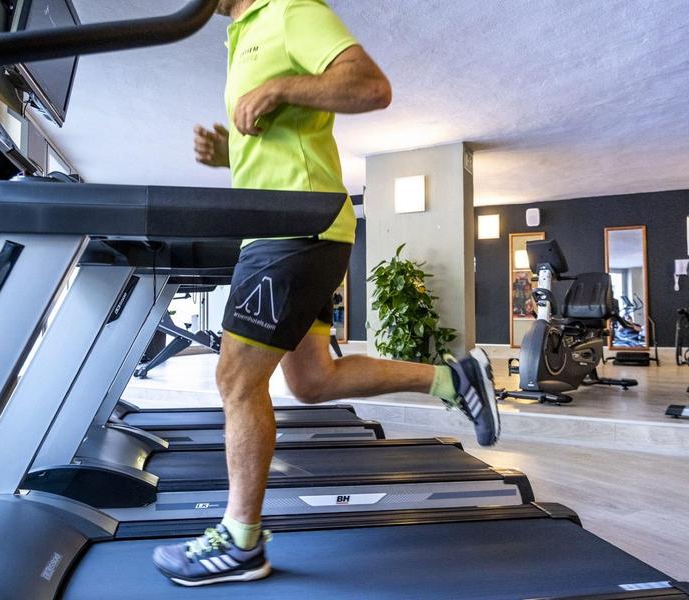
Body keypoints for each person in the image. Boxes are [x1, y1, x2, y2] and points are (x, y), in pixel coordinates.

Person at [153, 0, 501, 587]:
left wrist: (283, 85)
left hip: (295, 227)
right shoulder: (241, 33)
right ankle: (453, 379)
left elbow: (370, 86)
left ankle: (240, 541)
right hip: (286, 226)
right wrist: (229, 155)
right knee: (311, 380)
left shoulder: (288, 10)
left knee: (235, 379)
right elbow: (283, 140)